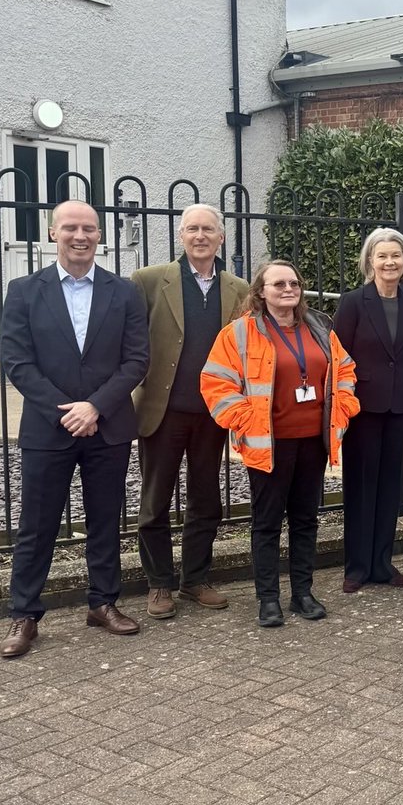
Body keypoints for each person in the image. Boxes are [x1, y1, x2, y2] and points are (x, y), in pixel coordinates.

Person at [0, 201, 149, 659]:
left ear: (99, 235)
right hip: (49, 428)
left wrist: (95, 407)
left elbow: (137, 360)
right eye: (70, 228)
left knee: (106, 520)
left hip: (108, 427)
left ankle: (102, 604)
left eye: (88, 228)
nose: (79, 236)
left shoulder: (123, 292)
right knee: (36, 526)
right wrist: (67, 410)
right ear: (52, 233)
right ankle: (24, 614)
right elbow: (17, 361)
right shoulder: (23, 290)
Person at [201, 260, 359, 627]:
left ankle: (303, 593)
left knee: (305, 520)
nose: (288, 289)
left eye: (293, 283)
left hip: (313, 442)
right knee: (267, 523)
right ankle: (268, 599)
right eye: (278, 284)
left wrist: (345, 408)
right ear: (260, 292)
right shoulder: (238, 334)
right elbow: (215, 384)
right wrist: (243, 419)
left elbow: (346, 371)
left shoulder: (320, 327)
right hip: (268, 444)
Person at [131, 204, 249, 619]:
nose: (200, 236)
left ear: (221, 237)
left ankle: (194, 580)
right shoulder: (148, 281)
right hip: (163, 411)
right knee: (155, 501)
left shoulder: (239, 288)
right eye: (192, 229)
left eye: (208, 230)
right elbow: (132, 343)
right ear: (181, 235)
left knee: (206, 500)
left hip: (213, 414)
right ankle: (159, 583)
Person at [333, 228, 403, 592]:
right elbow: (338, 359)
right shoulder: (353, 302)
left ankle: (383, 564)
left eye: (396, 256)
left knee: (391, 487)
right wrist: (339, 408)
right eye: (382, 256)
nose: (390, 262)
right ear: (370, 262)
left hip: (401, 408)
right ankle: (356, 567)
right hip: (362, 409)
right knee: (361, 485)